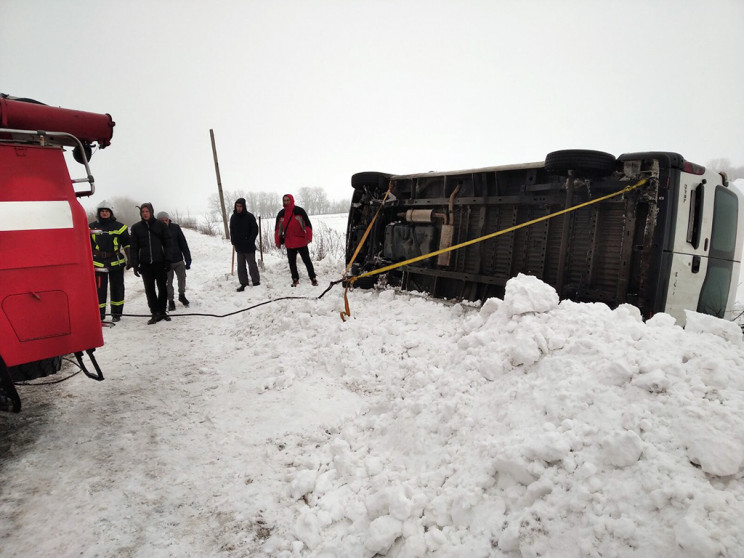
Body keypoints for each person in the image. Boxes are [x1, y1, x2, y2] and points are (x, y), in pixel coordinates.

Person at [129, 202, 172, 324]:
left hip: (160, 262)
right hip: (145, 264)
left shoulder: (160, 225)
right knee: (149, 289)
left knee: (162, 287)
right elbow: (134, 247)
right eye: (143, 212)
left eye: (147, 211)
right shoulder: (136, 228)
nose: (145, 214)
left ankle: (162, 311)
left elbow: (168, 244)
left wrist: (168, 260)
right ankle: (155, 312)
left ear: (151, 212)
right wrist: (135, 264)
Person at [89, 200, 131, 323]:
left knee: (117, 288)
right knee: (99, 289)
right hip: (98, 263)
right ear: (99, 213)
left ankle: (116, 313)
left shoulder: (120, 227)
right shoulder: (90, 227)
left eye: (107, 211)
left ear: (111, 212)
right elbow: (86, 245)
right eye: (102, 211)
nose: (104, 213)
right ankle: (100, 314)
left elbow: (127, 244)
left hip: (115, 262)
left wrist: (130, 259)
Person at [274, 193, 318, 287]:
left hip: (301, 241)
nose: (286, 202)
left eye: (287, 200)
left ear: (292, 200)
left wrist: (309, 237)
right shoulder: (281, 214)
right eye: (284, 200)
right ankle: (295, 279)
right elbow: (278, 229)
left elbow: (308, 225)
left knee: (307, 260)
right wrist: (277, 241)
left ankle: (313, 277)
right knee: (292, 263)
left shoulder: (299, 211)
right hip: (289, 242)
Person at [156, 211, 192, 311]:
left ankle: (182, 295)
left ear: (169, 220)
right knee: (168, 282)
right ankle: (170, 300)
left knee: (182, 278)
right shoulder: (156, 231)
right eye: (162, 220)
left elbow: (183, 243)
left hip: (178, 259)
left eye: (166, 220)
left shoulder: (175, 228)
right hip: (165, 262)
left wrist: (188, 258)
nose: (164, 222)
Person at [229, 197, 260, 291]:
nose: (238, 208)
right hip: (239, 246)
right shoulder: (233, 217)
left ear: (244, 206)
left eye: (240, 206)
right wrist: (233, 241)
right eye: (237, 206)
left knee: (252, 265)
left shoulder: (249, 216)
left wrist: (250, 240)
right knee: (241, 266)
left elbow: (255, 230)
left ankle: (256, 281)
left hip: (249, 246)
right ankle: (243, 283)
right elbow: (232, 231)